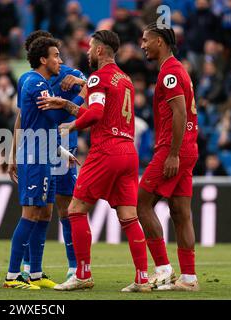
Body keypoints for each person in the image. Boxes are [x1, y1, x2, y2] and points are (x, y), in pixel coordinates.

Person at [38, 30, 151, 292]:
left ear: (100, 50)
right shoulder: (125, 80)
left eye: (90, 48)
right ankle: (142, 278)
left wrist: (70, 127)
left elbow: (95, 114)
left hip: (106, 150)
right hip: (127, 151)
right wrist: (66, 105)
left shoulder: (99, 76)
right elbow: (100, 111)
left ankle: (82, 274)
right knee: (128, 216)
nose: (88, 52)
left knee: (76, 209)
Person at [8, 30, 86, 282]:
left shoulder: (64, 75)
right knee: (32, 213)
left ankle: (36, 272)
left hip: (51, 150)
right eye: (55, 55)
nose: (60, 60)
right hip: (36, 155)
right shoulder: (35, 82)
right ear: (41, 58)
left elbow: (39, 122)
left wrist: (62, 151)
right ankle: (13, 274)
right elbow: (49, 118)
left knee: (46, 212)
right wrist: (71, 102)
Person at [138, 23, 199, 291]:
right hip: (189, 148)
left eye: (145, 40)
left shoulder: (170, 73)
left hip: (173, 149)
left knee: (141, 203)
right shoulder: (177, 70)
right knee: (180, 212)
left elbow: (181, 114)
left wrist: (172, 153)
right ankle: (188, 278)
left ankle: (163, 270)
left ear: (160, 42)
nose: (142, 45)